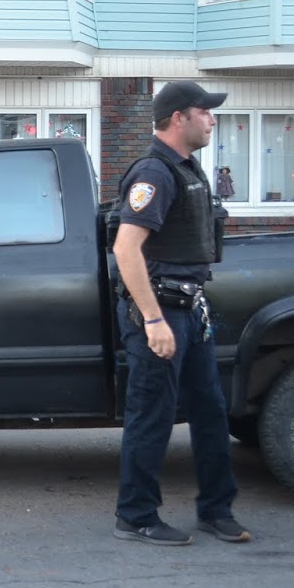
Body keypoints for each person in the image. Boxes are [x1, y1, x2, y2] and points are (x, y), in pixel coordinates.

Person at [111, 80, 249, 546]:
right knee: (152, 415)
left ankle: (216, 510)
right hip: (161, 313)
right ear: (178, 118)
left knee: (211, 410)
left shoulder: (188, 169)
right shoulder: (154, 173)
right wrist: (152, 321)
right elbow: (126, 248)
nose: (212, 119)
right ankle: (136, 516)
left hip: (190, 308)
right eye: (204, 111)